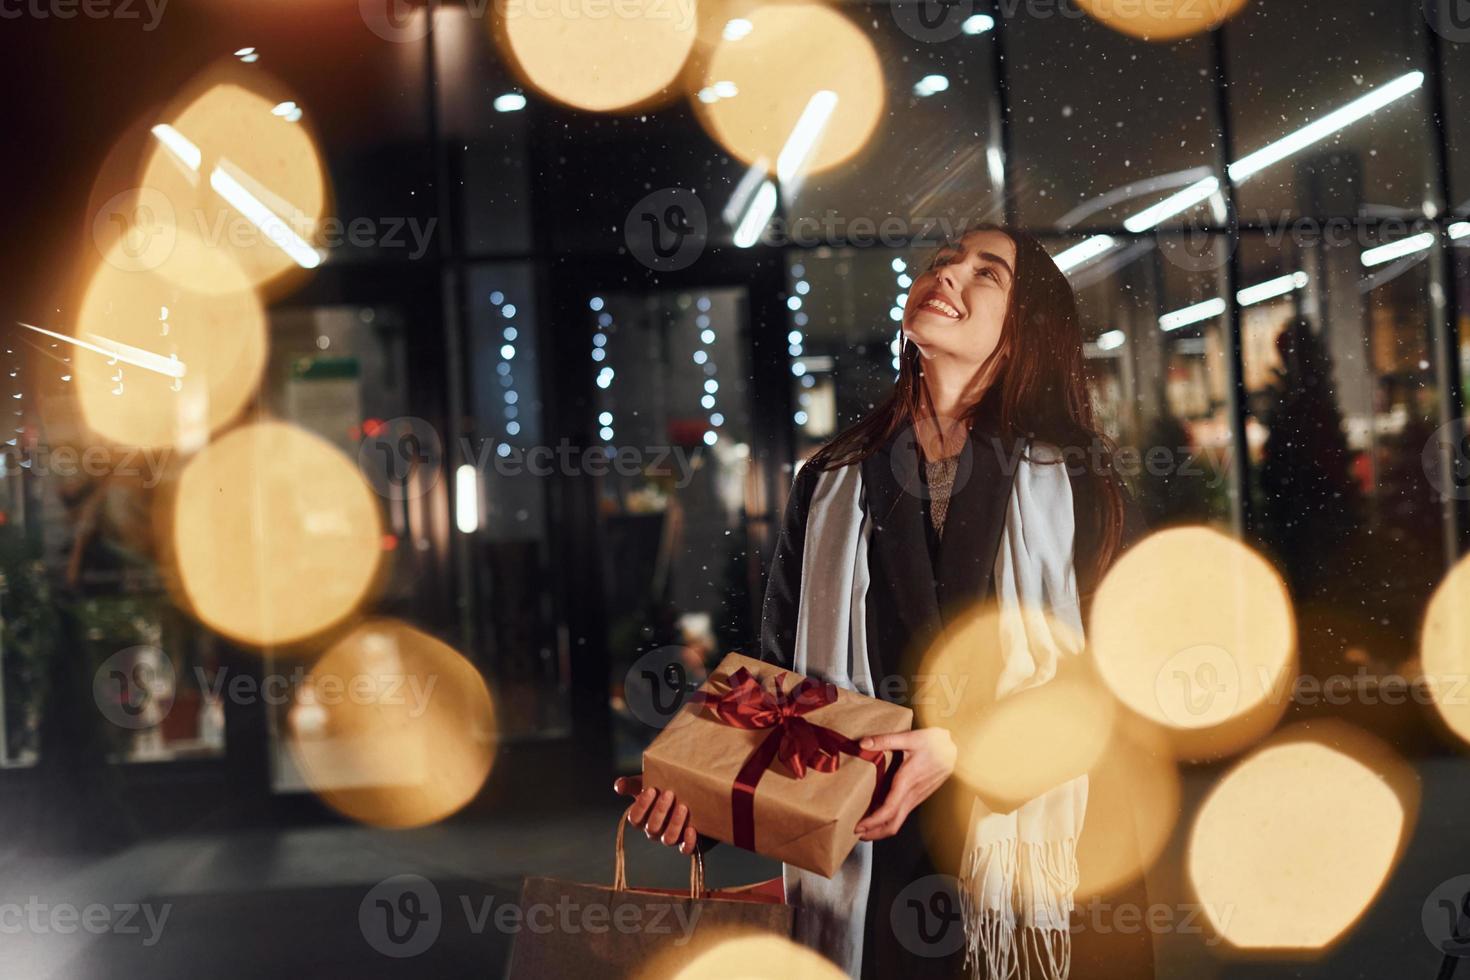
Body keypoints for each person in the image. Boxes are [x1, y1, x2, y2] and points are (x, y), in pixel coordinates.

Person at [616, 224, 1150, 978]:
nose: (950, 276)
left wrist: (962, 748)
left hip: (1034, 856)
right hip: (874, 850)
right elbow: (780, 684)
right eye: (943, 262)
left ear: (1026, 325)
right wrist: (704, 792)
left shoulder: (1077, 484)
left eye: (985, 273)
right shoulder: (832, 480)